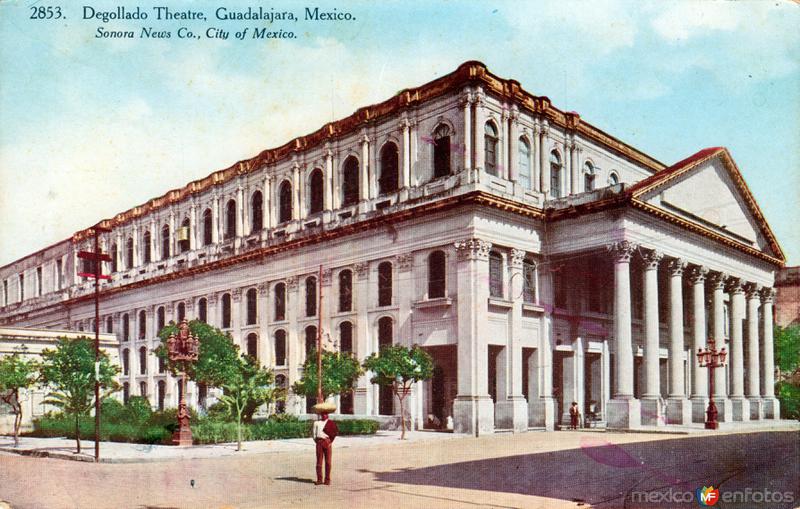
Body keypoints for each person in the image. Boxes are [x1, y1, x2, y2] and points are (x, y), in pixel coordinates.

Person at [312, 412, 338, 485]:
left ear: (328, 415)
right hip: (319, 442)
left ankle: (327, 479)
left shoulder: (330, 423)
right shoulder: (317, 423)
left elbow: (334, 433)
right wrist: (318, 442)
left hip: (327, 442)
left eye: (325, 414)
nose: (324, 415)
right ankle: (319, 479)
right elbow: (314, 435)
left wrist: (329, 442)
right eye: (322, 414)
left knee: (328, 462)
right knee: (319, 462)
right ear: (320, 415)